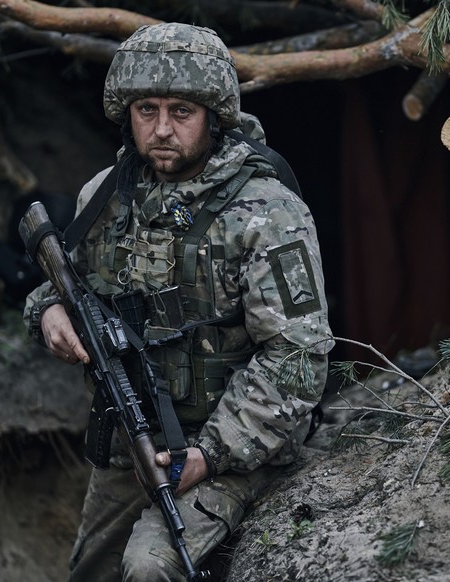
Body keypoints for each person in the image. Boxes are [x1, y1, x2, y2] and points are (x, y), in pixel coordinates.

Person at [23, 22, 333, 581]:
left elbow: (297, 361)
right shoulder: (105, 195)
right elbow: (63, 282)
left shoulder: (267, 212)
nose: (162, 129)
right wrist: (48, 313)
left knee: (149, 568)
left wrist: (210, 454)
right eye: (147, 110)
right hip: (130, 440)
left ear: (215, 116)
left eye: (181, 112)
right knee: (89, 573)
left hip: (234, 447)